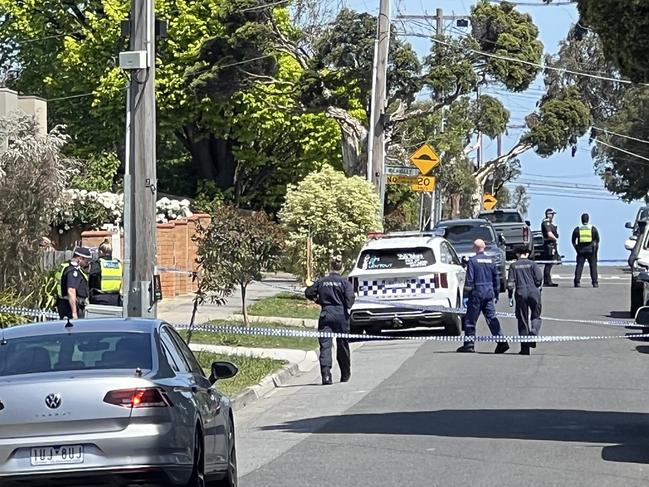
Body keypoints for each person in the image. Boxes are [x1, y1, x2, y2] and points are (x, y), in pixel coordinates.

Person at [305, 255, 355, 385]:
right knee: (342, 344)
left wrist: (318, 300)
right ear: (341, 268)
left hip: (326, 314)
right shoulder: (345, 283)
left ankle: (326, 374)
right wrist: (345, 306)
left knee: (325, 345)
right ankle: (345, 374)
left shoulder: (322, 281)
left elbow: (308, 292)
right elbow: (350, 299)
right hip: (341, 316)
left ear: (330, 267)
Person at [457, 239, 509, 354]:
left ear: (475, 248)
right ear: (484, 247)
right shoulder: (491, 261)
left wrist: (466, 294)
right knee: (491, 318)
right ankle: (502, 342)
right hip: (489, 292)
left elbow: (469, 280)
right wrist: (496, 293)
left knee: (470, 320)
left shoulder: (473, 261)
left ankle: (469, 344)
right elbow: (496, 278)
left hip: (477, 293)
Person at [507, 246, 543, 355]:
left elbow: (510, 283)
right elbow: (539, 278)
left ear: (517, 254)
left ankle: (524, 348)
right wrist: (536, 286)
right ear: (527, 253)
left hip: (521, 293)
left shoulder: (513, 266)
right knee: (536, 316)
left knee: (522, 320)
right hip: (534, 292)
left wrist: (510, 296)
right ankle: (533, 333)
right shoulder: (533, 264)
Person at [55, 247, 92, 319]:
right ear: (80, 259)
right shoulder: (73, 271)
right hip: (70, 306)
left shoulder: (67, 266)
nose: (88, 262)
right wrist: (74, 312)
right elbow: (71, 290)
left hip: (64, 304)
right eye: (87, 260)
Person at [88, 239, 123, 306]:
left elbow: (89, 278)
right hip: (115, 299)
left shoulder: (97, 264)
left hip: (99, 298)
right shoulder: (118, 264)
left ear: (101, 251)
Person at [572, 213, 600, 288]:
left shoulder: (578, 228)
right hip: (591, 251)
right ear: (588, 219)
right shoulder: (592, 228)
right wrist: (595, 250)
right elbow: (597, 240)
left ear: (581, 220)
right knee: (593, 267)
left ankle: (577, 282)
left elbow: (573, 240)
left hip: (581, 251)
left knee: (579, 266)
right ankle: (595, 282)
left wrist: (576, 248)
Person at [541, 208, 559, 287]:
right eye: (552, 214)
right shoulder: (546, 223)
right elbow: (549, 234)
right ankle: (547, 281)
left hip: (550, 245)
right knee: (549, 263)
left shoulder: (548, 223)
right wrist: (555, 239)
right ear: (548, 214)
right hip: (549, 245)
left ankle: (548, 281)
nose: (553, 216)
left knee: (549, 263)